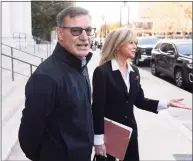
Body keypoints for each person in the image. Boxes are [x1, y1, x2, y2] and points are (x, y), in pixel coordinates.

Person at [92, 27, 190, 161]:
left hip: (130, 135)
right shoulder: (102, 72)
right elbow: (97, 108)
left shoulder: (134, 72)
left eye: (135, 43)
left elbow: (139, 101)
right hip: (109, 137)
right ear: (118, 45)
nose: (135, 47)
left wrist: (166, 103)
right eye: (131, 43)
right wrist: (98, 140)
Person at [18, 6, 96, 161]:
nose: (84, 37)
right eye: (75, 31)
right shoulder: (46, 78)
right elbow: (29, 138)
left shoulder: (81, 64)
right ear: (60, 33)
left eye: (88, 30)